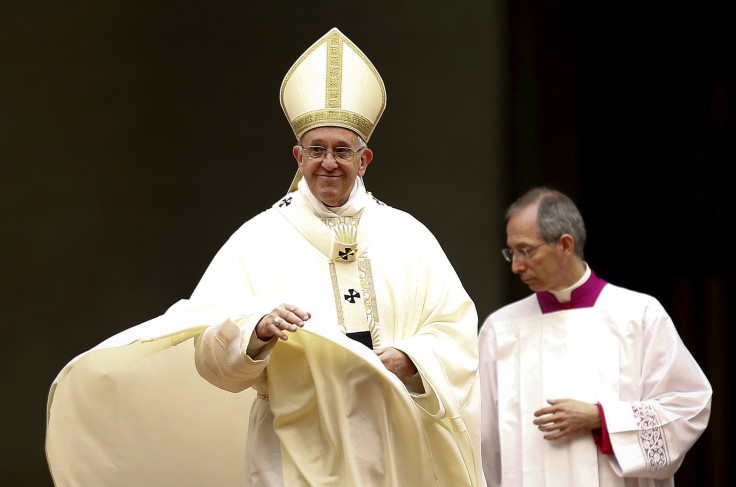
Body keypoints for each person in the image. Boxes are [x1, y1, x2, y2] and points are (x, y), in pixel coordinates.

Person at [46, 28, 484, 487]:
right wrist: (254, 333)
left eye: (342, 151)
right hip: (294, 449)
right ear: (298, 157)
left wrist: (409, 358)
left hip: (394, 447)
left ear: (365, 160)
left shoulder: (408, 236)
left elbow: (454, 330)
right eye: (316, 150)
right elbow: (209, 348)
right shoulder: (257, 239)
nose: (328, 163)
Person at [478, 187, 712, 487]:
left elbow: (687, 405)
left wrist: (601, 418)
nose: (516, 265)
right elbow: (483, 436)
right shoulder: (500, 329)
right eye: (511, 252)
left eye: (526, 251)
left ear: (564, 245)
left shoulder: (638, 315)